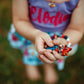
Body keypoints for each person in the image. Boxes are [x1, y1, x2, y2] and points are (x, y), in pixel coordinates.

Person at [8, 0, 84, 83]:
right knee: (30, 50)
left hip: (61, 36)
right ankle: (29, 63)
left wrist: (65, 41)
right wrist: (35, 35)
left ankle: (48, 66)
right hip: (30, 33)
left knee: (51, 56)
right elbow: (20, 20)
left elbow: (76, 29)